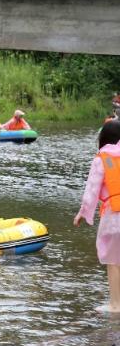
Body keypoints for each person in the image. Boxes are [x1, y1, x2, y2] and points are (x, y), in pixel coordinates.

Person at [73, 120, 120, 312]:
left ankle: (116, 305)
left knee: (113, 260)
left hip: (114, 215)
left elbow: (92, 189)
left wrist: (83, 213)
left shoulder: (102, 159)